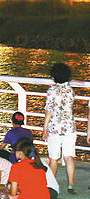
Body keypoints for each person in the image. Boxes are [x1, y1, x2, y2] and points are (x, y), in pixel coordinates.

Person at [42, 62, 76, 195]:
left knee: (53, 158)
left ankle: (52, 183)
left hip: (55, 127)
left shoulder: (52, 91)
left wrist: (45, 128)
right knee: (69, 156)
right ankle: (71, 184)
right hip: (69, 127)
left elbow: (49, 111)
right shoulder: (70, 91)